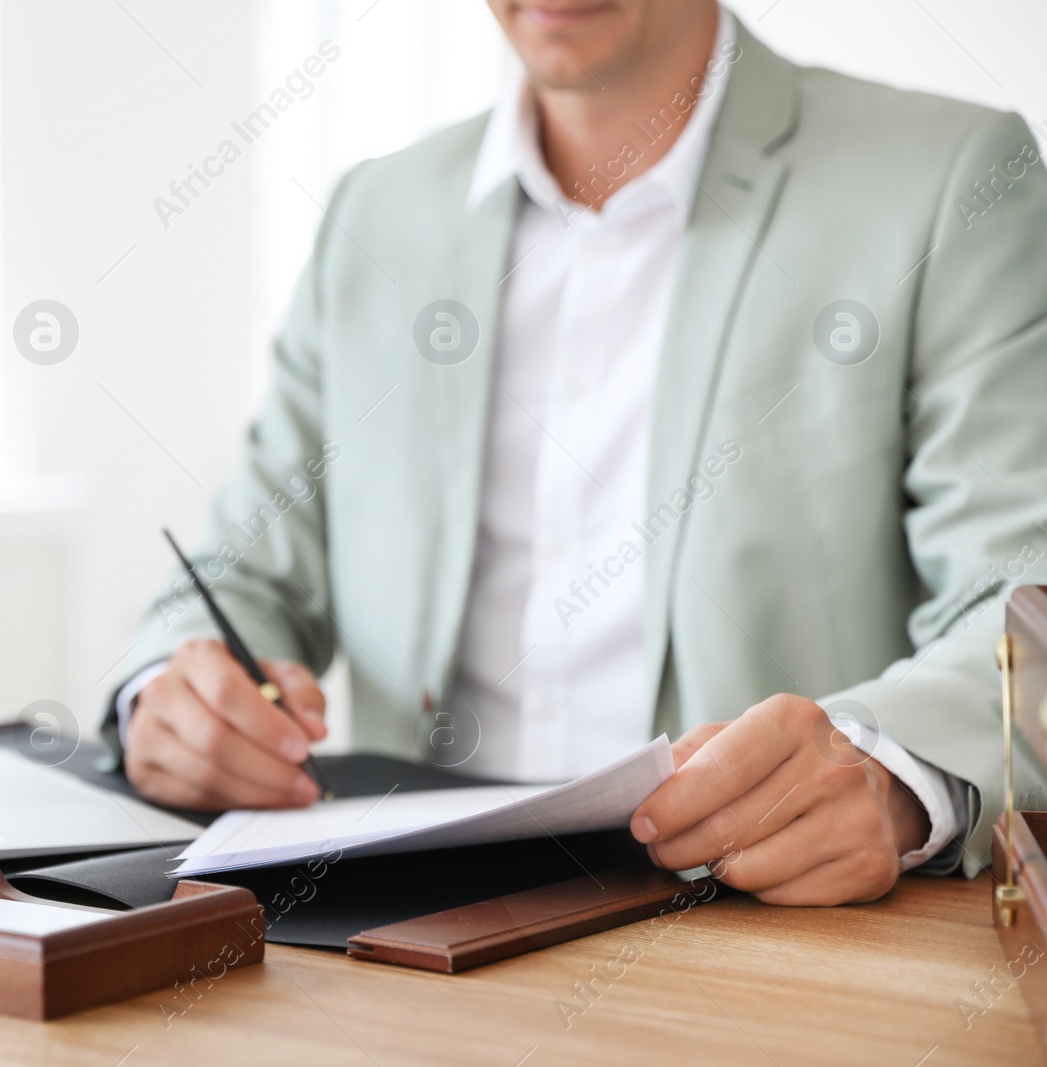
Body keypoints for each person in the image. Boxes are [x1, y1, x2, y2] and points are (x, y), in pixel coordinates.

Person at [101, 0, 1047, 906]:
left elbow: (1023, 598)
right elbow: (244, 570)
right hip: (390, 937)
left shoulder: (950, 179)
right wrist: (171, 694)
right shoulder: (375, 215)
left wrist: (889, 766)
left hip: (751, 934)